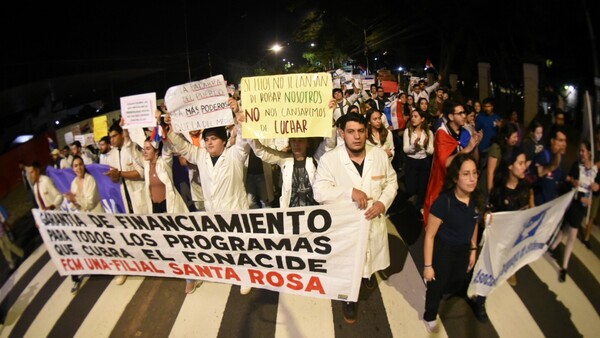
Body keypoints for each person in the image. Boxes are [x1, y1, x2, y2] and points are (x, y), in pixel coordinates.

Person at [313, 112, 398, 324]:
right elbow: (319, 191)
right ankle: (349, 300)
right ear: (342, 133)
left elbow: (392, 182)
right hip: (346, 229)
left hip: (373, 221)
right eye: (351, 132)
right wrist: (349, 192)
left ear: (366, 131)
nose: (357, 137)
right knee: (348, 269)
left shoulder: (378, 155)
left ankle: (368, 275)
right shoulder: (329, 160)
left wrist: (382, 203)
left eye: (361, 131)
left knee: (369, 261)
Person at [165, 97, 254, 295]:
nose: (209, 142)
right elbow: (183, 147)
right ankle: (230, 271)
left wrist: (237, 113)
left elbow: (243, 139)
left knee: (241, 247)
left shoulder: (235, 154)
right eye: (206, 139)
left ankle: (246, 275)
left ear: (224, 140)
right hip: (214, 212)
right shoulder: (201, 156)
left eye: (213, 138)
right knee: (224, 247)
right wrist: (172, 128)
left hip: (235, 211)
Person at [469, 147, 532, 322]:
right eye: (520, 163)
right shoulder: (498, 189)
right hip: (495, 241)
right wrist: (488, 217)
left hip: (512, 241)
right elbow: (489, 212)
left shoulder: (525, 188)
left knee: (496, 271)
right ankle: (480, 301)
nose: (524, 167)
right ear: (510, 167)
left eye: (524, 163)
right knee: (487, 268)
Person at [422, 153, 484, 333]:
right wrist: (428, 266)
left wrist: (473, 249)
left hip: (463, 250)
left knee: (456, 280)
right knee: (436, 287)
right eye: (466, 174)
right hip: (443, 252)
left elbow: (474, 224)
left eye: (474, 173)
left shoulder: (477, 198)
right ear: (456, 177)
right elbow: (429, 236)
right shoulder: (444, 203)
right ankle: (430, 315)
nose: (472, 179)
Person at [423, 101, 482, 224]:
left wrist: (476, 145)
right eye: (460, 113)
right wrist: (467, 149)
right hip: (445, 183)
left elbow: (474, 159)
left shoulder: (465, 132)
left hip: (461, 182)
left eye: (464, 113)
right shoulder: (442, 133)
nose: (464, 116)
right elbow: (445, 162)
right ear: (450, 116)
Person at [548, 140, 598, 282]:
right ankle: (564, 267)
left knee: (566, 228)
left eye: (583, 151)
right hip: (574, 204)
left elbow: (597, 186)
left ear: (589, 152)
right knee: (572, 236)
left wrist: (596, 187)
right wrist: (579, 194)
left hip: (583, 207)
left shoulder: (594, 169)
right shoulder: (577, 166)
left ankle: (553, 246)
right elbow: (570, 185)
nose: (581, 153)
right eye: (580, 150)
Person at [105, 122, 148, 285]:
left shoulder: (132, 150)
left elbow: (142, 173)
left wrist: (121, 173)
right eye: (110, 137)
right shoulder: (111, 155)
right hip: (122, 201)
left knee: (145, 233)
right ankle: (132, 267)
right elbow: (112, 177)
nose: (112, 139)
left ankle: (153, 265)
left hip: (138, 198)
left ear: (121, 135)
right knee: (129, 236)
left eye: (114, 136)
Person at [63, 155, 104, 293]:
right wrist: (73, 201)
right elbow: (76, 206)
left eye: (80, 164)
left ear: (83, 165)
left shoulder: (90, 179)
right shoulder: (74, 182)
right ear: (73, 169)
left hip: (97, 218)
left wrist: (75, 199)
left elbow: (90, 203)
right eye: (75, 165)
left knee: (104, 245)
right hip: (84, 221)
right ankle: (79, 276)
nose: (78, 167)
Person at [403, 109, 434, 211]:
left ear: (422, 119)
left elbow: (431, 151)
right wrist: (414, 145)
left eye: (416, 116)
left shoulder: (429, 133)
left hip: (424, 162)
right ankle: (410, 206)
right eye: (412, 116)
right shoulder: (408, 131)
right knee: (411, 188)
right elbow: (406, 150)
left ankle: (419, 208)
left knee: (422, 188)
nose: (413, 119)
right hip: (411, 162)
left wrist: (424, 146)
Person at [531, 126, 568, 206]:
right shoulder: (543, 156)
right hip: (539, 205)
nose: (564, 144)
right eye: (560, 140)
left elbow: (562, 177)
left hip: (551, 206)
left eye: (565, 141)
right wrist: (553, 166)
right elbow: (538, 174)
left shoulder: (559, 158)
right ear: (552, 141)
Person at [0, 203, 24, 271]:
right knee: (3, 248)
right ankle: (11, 263)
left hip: (2, 231)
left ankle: (21, 253)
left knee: (9, 244)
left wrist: (6, 226)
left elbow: (1, 218)